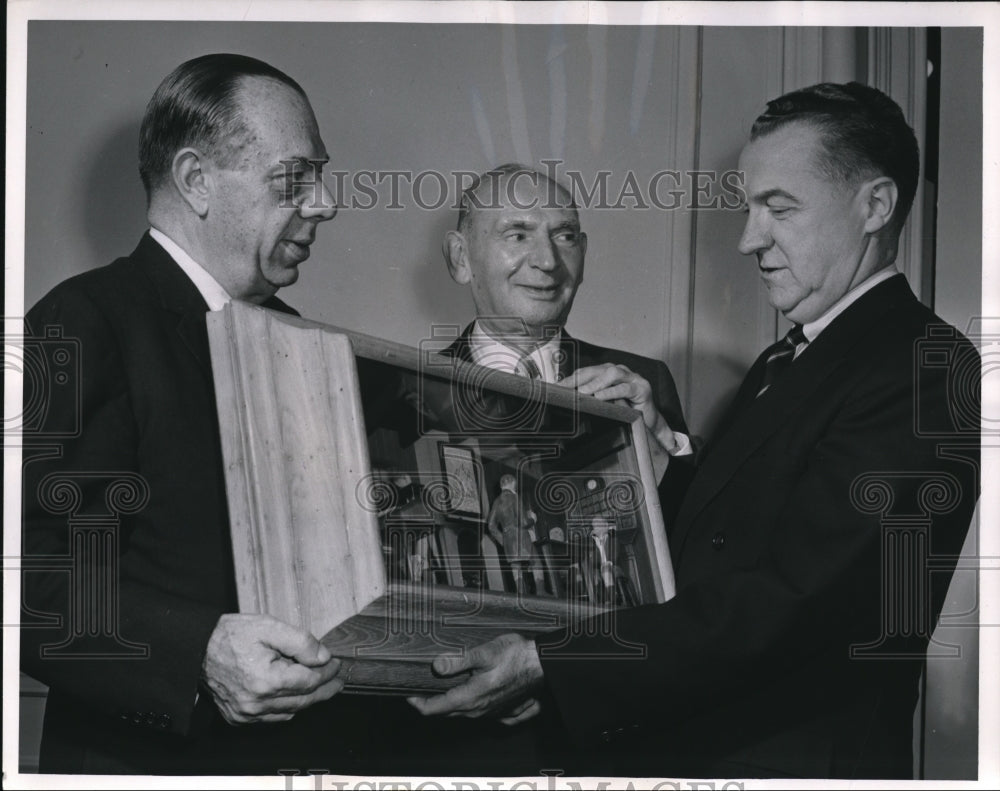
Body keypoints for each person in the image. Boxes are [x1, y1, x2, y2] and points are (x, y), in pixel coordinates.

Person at [409, 82, 980, 779]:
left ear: (876, 205)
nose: (748, 239)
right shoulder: (789, 357)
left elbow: (799, 599)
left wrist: (547, 660)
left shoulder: (925, 363)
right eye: (749, 207)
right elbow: (732, 545)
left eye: (779, 207)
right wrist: (659, 462)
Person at [18, 53, 382, 775]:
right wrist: (198, 652)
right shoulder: (80, 320)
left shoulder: (299, 336)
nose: (326, 204)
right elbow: (27, 573)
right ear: (194, 180)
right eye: (295, 178)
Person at [440, 163, 694, 482]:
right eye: (518, 235)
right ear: (460, 257)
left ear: (583, 254)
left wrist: (662, 444)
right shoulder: (405, 390)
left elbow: (688, 528)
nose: (548, 261)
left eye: (564, 236)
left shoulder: (645, 382)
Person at [485, 474, 546, 595]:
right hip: (521, 537)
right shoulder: (514, 497)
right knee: (536, 562)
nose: (516, 487)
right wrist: (533, 519)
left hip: (508, 539)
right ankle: (541, 591)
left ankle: (521, 594)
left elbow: (491, 526)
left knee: (516, 566)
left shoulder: (496, 502)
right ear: (512, 483)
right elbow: (523, 522)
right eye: (515, 484)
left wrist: (503, 540)